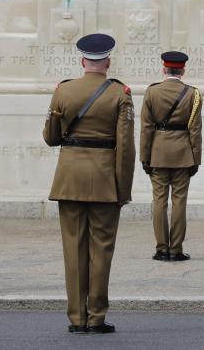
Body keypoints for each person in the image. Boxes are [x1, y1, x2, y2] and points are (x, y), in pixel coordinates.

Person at [43, 33, 135, 334]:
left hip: (69, 177)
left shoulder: (64, 91)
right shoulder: (120, 93)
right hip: (104, 178)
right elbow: (125, 147)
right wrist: (122, 189)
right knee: (102, 248)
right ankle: (96, 317)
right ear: (107, 62)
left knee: (73, 248)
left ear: (83, 61)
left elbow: (51, 137)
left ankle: (76, 318)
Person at [140, 51, 203, 262]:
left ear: (164, 69)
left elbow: (146, 128)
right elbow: (195, 130)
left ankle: (161, 248)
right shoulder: (192, 94)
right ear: (183, 70)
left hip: (158, 153)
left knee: (158, 201)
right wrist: (196, 159)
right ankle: (175, 249)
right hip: (183, 154)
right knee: (179, 202)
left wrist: (144, 157)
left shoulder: (152, 92)